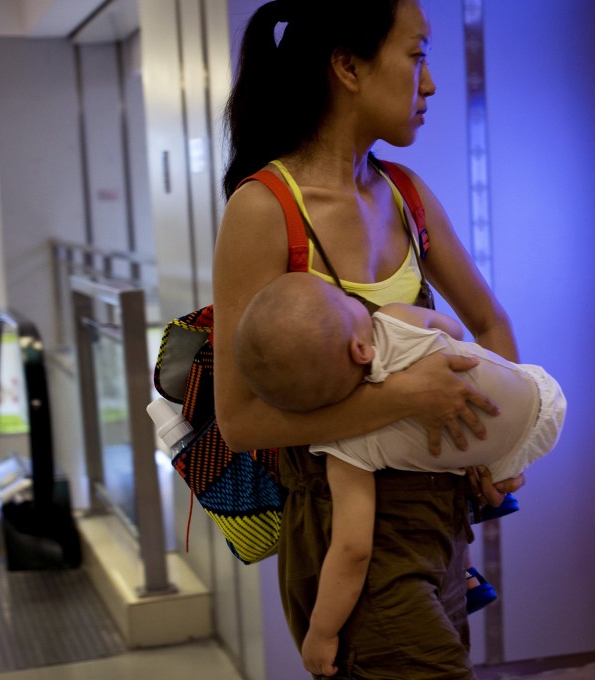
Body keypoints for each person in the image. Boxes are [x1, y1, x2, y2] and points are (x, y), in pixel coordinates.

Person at [213, 1, 524, 678]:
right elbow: (239, 421)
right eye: (416, 56)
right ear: (348, 67)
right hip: (342, 540)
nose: (431, 83)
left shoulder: (406, 195)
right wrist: (413, 397)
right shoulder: (265, 209)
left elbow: (489, 321)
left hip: (438, 527)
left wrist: (499, 436)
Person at [234, 272, 566, 676]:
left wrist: (321, 633)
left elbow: (352, 550)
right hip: (534, 399)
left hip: (488, 464)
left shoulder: (344, 447)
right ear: (359, 349)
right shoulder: (395, 322)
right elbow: (452, 328)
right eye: (347, 300)